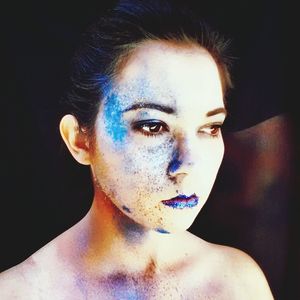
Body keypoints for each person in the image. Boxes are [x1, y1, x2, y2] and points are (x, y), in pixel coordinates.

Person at [0, 0, 274, 298]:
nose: (189, 164)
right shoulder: (20, 292)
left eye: (209, 128)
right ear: (80, 140)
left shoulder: (236, 283)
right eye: (154, 126)